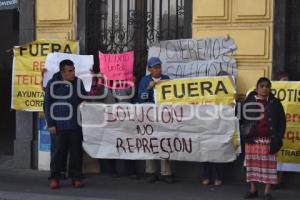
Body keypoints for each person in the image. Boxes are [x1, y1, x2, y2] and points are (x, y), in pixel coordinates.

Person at [44, 59, 87, 189]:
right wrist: (51, 124)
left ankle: (76, 177)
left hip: (75, 124)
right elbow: (47, 104)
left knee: (76, 153)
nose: (73, 73)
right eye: (70, 71)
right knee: (58, 153)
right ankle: (55, 177)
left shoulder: (78, 82)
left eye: (73, 70)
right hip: (58, 125)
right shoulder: (53, 84)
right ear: (62, 72)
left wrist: (85, 101)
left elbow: (84, 97)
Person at [241, 77, 286, 200]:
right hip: (252, 140)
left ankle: (267, 192)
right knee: (251, 166)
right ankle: (253, 190)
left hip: (268, 141)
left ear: (270, 88)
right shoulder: (249, 101)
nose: (264, 88)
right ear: (257, 88)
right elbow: (242, 118)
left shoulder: (275, 103)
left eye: (267, 86)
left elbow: (282, 121)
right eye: (262, 86)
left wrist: (278, 137)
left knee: (269, 168)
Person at [138, 57, 173, 183]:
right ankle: (151, 172)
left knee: (165, 142)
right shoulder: (144, 80)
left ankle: (166, 173)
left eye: (159, 66)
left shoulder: (166, 79)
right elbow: (140, 99)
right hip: (150, 116)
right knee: (150, 143)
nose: (158, 69)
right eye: (155, 67)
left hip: (164, 116)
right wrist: (148, 88)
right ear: (149, 69)